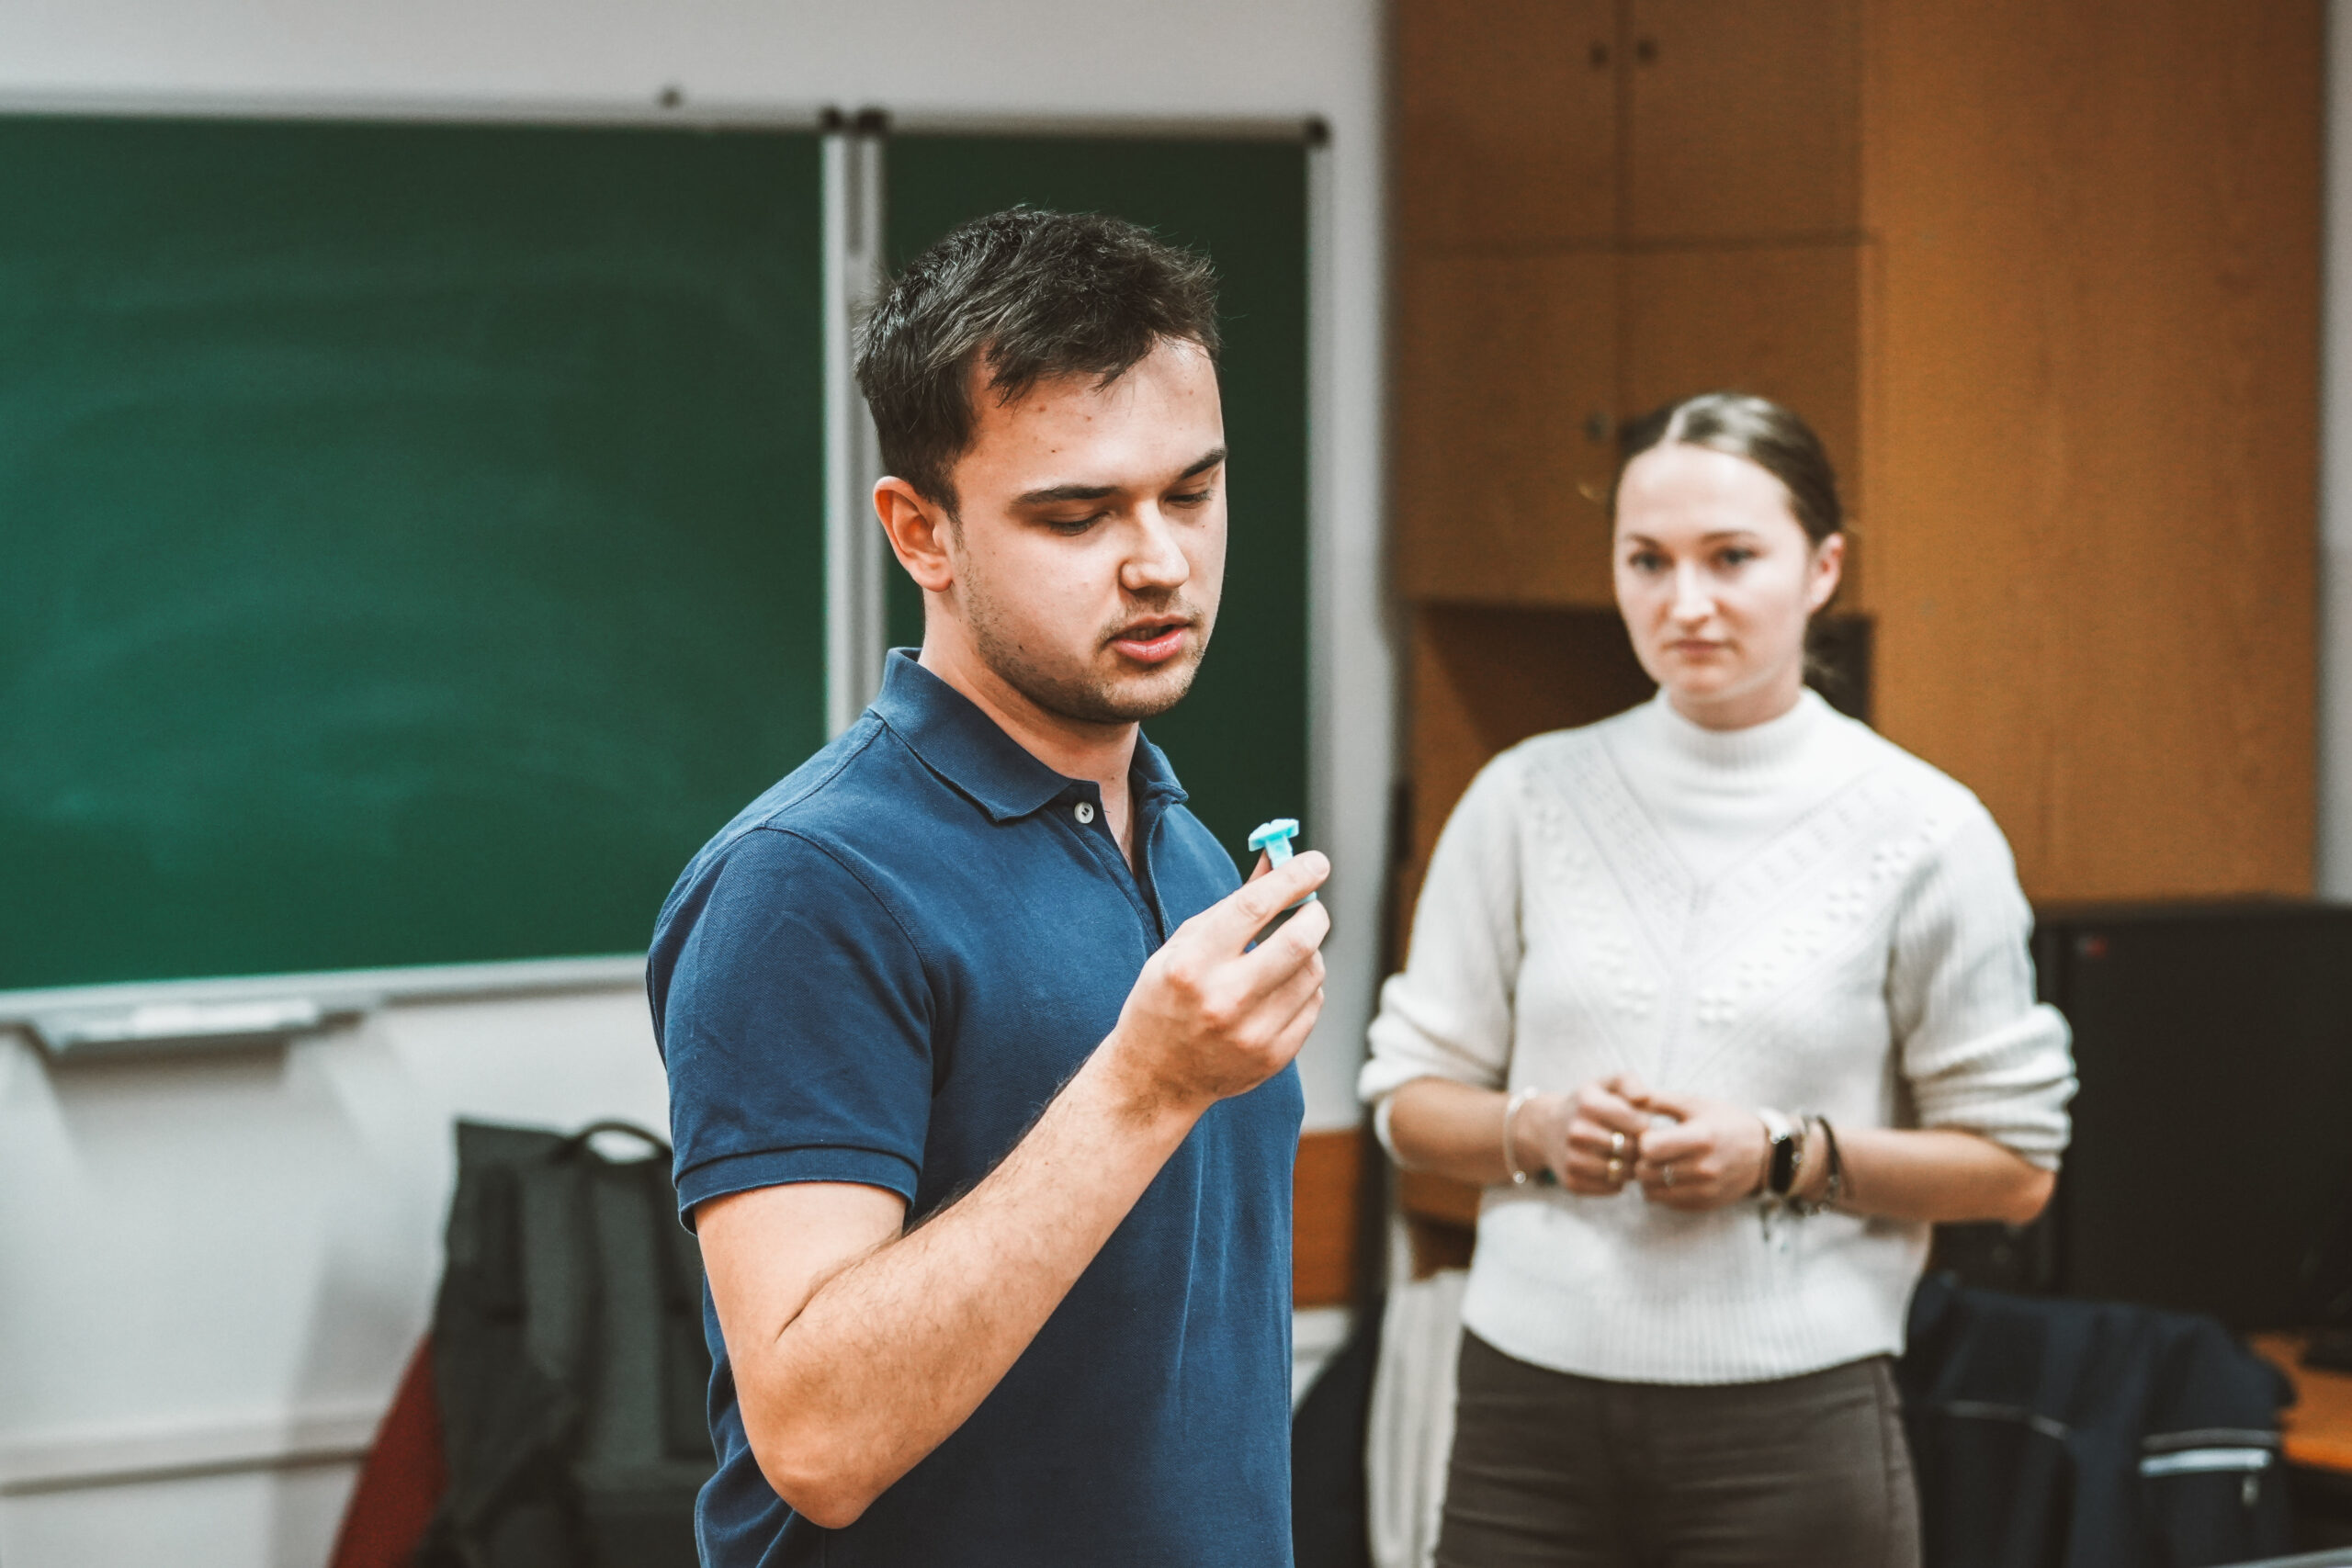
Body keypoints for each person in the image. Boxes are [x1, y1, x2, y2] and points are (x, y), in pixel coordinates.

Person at [648, 209, 1331, 1567]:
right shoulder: (808, 882)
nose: (1160, 560)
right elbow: (819, 1440)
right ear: (922, 532)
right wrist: (1144, 1083)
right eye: (1077, 512)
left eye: (1189, 491)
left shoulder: (1184, 848)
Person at [1359, 391, 2076, 1567]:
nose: (1683, 603)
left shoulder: (1928, 831)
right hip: (1524, 1412)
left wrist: (1781, 1154)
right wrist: (1534, 1128)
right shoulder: (1525, 797)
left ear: (1822, 567)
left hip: (1792, 1426)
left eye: (1731, 558)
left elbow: (2013, 1171)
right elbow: (1408, 1104)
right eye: (1647, 560)